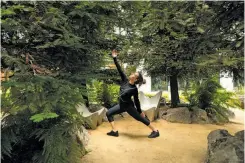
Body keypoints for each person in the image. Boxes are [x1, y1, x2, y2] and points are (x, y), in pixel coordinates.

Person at [106, 49, 160, 138]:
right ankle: (114, 131)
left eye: (134, 74)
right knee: (108, 113)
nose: (132, 74)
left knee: (140, 118)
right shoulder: (125, 81)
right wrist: (115, 58)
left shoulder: (134, 89)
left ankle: (155, 130)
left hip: (129, 107)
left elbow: (136, 100)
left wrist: (140, 111)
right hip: (121, 105)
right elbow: (119, 69)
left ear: (135, 79)